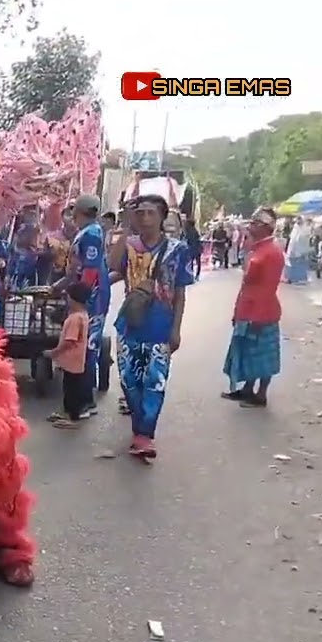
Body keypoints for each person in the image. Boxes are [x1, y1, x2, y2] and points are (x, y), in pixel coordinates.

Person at [112, 194, 194, 459]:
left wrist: (176, 329)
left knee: (155, 382)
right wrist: (125, 227)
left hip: (160, 324)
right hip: (129, 324)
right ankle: (139, 428)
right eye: (141, 213)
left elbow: (180, 292)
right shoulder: (130, 244)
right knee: (128, 380)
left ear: (161, 217)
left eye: (151, 213)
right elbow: (113, 266)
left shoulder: (176, 249)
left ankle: (145, 435)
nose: (145, 219)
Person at [222, 208, 284, 407]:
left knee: (263, 355)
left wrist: (258, 315)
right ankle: (248, 389)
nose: (251, 225)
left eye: (256, 223)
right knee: (248, 352)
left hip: (262, 311)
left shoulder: (272, 253)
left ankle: (261, 394)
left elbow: (267, 288)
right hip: (247, 308)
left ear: (266, 228)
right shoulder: (257, 250)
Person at [53, 194, 108, 416]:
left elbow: (90, 270)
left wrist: (79, 297)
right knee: (82, 346)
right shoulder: (85, 232)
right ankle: (85, 399)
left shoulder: (92, 233)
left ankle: (84, 402)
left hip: (92, 297)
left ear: (80, 211)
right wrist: (64, 283)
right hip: (85, 294)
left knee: (86, 348)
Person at [45, 282, 92, 428]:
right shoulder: (83, 315)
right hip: (77, 361)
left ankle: (73, 418)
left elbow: (69, 342)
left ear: (73, 299)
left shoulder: (74, 319)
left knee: (71, 390)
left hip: (71, 361)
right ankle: (68, 414)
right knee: (71, 387)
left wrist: (53, 353)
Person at [284, 217, 311, 284]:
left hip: (301, 251)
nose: (299, 222)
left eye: (300, 220)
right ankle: (290, 278)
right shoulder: (295, 229)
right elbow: (292, 240)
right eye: (298, 220)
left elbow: (304, 240)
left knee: (299, 265)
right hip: (293, 250)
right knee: (291, 264)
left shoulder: (305, 229)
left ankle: (299, 279)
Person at [182, 215, 203, 280]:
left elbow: (187, 240)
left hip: (191, 248)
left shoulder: (188, 232)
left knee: (190, 262)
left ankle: (191, 275)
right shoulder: (195, 231)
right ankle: (197, 275)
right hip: (197, 248)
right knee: (197, 262)